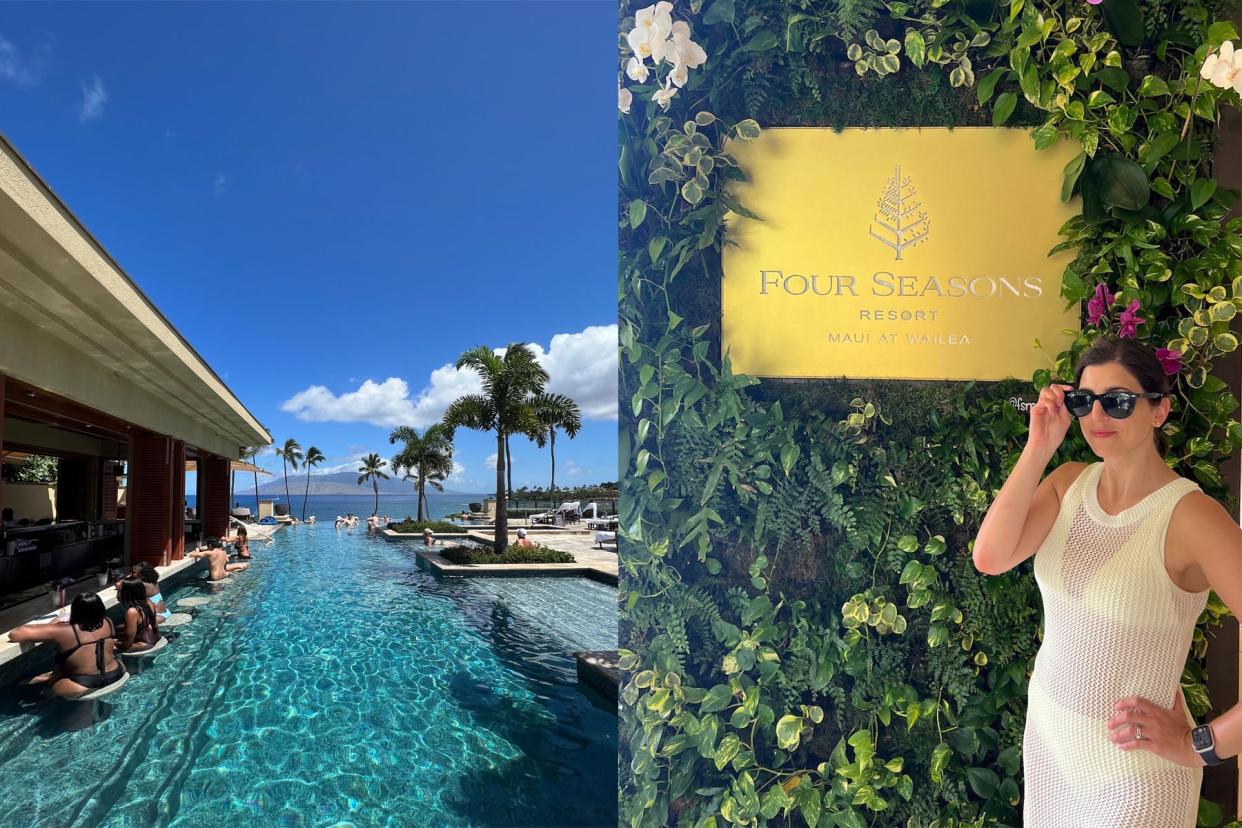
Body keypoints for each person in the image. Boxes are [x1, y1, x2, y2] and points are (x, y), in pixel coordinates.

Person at [972, 337, 1242, 826]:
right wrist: (1039, 447)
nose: (1098, 416)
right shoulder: (1067, 481)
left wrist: (1201, 744)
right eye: (1084, 400)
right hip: (1053, 744)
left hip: (1134, 774)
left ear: (1158, 410)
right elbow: (990, 557)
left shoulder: (1190, 517)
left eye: (1118, 401)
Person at [9, 592, 125, 698]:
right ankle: (49, 676)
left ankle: (46, 690)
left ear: (75, 611)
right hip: (117, 672)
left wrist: (55, 623)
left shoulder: (65, 631)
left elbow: (15, 634)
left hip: (83, 684)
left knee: (47, 690)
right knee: (64, 667)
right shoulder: (108, 621)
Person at [116, 576, 161, 652]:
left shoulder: (132, 612)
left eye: (119, 591)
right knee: (114, 631)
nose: (117, 594)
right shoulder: (148, 601)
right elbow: (141, 623)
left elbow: (127, 644)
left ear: (127, 593)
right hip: (155, 637)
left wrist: (112, 642)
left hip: (144, 643)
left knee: (106, 645)